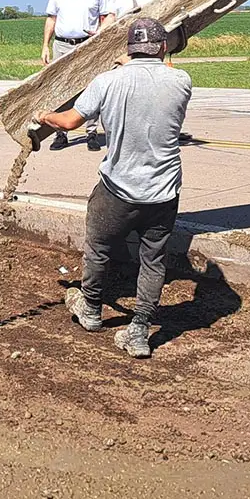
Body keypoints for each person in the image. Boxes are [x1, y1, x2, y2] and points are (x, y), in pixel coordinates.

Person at [35, 18, 192, 359]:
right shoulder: (181, 81)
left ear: (129, 49)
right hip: (163, 191)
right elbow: (160, 72)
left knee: (99, 249)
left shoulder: (107, 82)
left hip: (118, 188)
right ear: (163, 48)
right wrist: (137, 61)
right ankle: (139, 331)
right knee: (153, 260)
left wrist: (44, 115)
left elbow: (69, 122)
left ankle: (91, 308)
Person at [42, 0, 110, 151]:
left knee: (90, 88)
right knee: (60, 89)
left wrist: (100, 36)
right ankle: (60, 133)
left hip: (87, 45)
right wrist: (45, 45)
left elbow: (105, 17)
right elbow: (51, 18)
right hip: (62, 45)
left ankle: (91, 132)